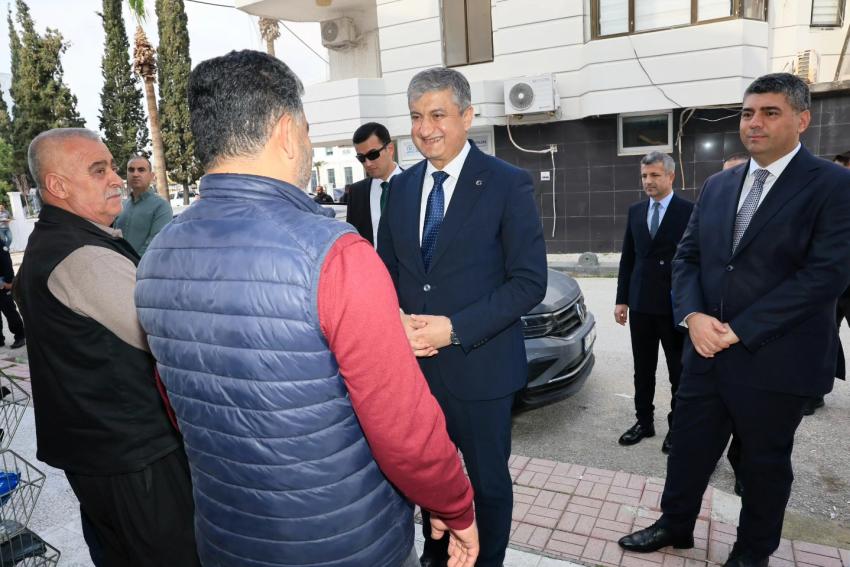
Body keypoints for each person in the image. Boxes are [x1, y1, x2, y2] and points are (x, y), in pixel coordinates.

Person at [134, 50, 479, 567]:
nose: (310, 143)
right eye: (308, 129)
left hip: (225, 535)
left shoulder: (156, 255)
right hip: (345, 542)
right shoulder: (334, 254)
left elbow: (184, 407)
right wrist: (453, 503)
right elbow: (402, 427)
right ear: (286, 131)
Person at [618, 73, 850, 567]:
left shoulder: (834, 184)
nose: (754, 123)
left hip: (776, 359)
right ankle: (675, 525)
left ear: (802, 120)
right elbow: (688, 258)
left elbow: (826, 275)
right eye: (747, 113)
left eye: (770, 112)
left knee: (763, 463)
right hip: (705, 350)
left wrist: (741, 329)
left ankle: (751, 553)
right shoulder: (720, 185)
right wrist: (693, 315)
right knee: (688, 450)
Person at [377, 67, 548, 567]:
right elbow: (386, 273)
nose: (425, 128)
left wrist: (453, 329)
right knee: (428, 477)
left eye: (437, 115)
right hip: (415, 370)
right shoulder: (400, 189)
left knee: (488, 484)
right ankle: (436, 556)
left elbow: (528, 282)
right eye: (416, 117)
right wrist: (397, 321)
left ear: (467, 116)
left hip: (482, 369)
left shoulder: (507, 184)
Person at [16, 128, 200, 567]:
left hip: (101, 451)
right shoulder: (83, 256)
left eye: (113, 167)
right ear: (58, 185)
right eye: (99, 170)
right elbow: (173, 338)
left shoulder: (55, 241)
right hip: (133, 455)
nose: (117, 179)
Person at [615, 152, 693, 453]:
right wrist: (622, 300)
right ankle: (644, 422)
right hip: (641, 304)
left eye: (655, 175)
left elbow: (695, 259)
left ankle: (678, 427)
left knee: (678, 371)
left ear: (671, 176)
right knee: (643, 369)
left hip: (674, 306)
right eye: (644, 176)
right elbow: (628, 258)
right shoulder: (636, 211)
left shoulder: (688, 211)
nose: (648, 181)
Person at [347, 122, 402, 247]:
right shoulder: (356, 192)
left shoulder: (416, 185)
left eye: (372, 154)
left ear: (390, 149)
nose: (368, 163)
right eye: (361, 158)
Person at [114, 156, 173, 256]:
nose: (135, 174)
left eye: (141, 170)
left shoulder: (162, 207)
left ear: (151, 175)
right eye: (131, 170)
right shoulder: (122, 205)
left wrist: (131, 262)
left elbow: (155, 243)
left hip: (142, 264)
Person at [0, 247, 25, 349]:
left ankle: (20, 336)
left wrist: (8, 283)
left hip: (3, 284)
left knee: (10, 311)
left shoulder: (1, 247)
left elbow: (7, 265)